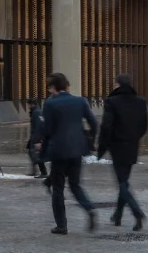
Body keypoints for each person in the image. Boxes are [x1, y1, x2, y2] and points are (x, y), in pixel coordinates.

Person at [32, 72, 99, 235]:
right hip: (77, 149)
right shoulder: (80, 101)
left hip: (59, 150)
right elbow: (94, 122)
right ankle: (89, 209)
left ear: (53, 88)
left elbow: (47, 129)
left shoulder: (50, 104)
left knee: (58, 188)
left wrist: (41, 144)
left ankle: (61, 225)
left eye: (50, 88)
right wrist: (90, 140)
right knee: (75, 185)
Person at [97, 73, 148, 230]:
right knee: (124, 180)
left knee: (122, 182)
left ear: (118, 85)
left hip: (117, 146)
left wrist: (102, 147)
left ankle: (137, 212)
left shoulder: (112, 102)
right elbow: (144, 125)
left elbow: (106, 126)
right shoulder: (141, 102)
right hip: (132, 146)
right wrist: (134, 138)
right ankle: (117, 215)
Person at [26, 98, 47, 178]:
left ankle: (43, 172)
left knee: (36, 153)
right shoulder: (37, 111)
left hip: (36, 136)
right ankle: (35, 171)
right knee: (32, 153)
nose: (28, 106)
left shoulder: (36, 112)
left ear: (32, 104)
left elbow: (38, 126)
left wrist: (37, 139)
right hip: (35, 136)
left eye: (28, 104)